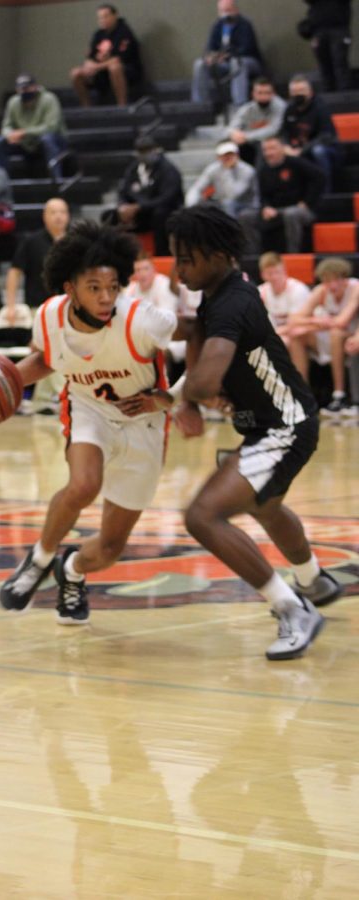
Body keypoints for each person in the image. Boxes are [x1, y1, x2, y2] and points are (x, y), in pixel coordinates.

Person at [166, 204, 342, 661]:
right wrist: (184, 396)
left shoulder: (234, 302)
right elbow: (196, 334)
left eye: (186, 259)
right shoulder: (220, 292)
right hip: (277, 420)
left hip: (283, 426)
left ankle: (292, 607)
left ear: (218, 255)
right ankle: (313, 581)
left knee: (202, 515)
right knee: (265, 505)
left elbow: (204, 379)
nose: (178, 270)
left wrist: (185, 398)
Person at [0, 221, 179, 624]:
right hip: (88, 409)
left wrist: (169, 398)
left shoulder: (141, 319)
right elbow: (46, 360)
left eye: (113, 287)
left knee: (110, 549)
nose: (105, 297)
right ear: (70, 288)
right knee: (83, 484)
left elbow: (202, 340)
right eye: (94, 288)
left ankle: (71, 570)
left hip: (143, 423)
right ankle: (40, 559)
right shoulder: (48, 317)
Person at [284, 257, 359, 417]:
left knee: (336, 334)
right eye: (327, 280)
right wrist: (315, 321)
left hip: (350, 337)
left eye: (336, 280)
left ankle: (339, 395)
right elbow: (294, 319)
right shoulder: (321, 291)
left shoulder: (355, 288)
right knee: (297, 336)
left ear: (344, 278)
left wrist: (313, 324)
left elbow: (342, 321)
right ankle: (302, 394)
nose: (332, 285)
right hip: (329, 337)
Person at [238, 136, 325, 254]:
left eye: (272, 148)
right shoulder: (263, 170)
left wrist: (307, 202)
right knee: (245, 216)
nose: (269, 153)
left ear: (282, 149)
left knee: (291, 214)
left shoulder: (296, 163)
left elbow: (320, 177)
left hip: (301, 210)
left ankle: (294, 256)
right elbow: (263, 195)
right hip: (277, 211)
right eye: (265, 150)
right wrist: (266, 207)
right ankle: (254, 257)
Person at [103, 135, 183, 256]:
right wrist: (123, 207)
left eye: (147, 151)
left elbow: (167, 198)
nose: (144, 155)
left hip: (162, 213)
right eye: (141, 152)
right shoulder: (133, 169)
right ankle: (114, 254)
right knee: (109, 216)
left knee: (160, 213)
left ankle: (162, 255)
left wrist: (140, 206)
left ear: (156, 150)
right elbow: (124, 191)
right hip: (139, 214)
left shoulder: (169, 170)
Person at [4, 197, 70, 326]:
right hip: (38, 308)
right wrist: (10, 305)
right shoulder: (31, 241)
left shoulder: (77, 241)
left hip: (70, 306)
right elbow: (15, 272)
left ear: (68, 215)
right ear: (44, 216)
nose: (58, 216)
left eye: (62, 212)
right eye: (53, 212)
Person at [191, 0, 263, 109]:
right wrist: (211, 57)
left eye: (228, 10)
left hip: (248, 61)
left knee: (237, 63)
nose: (226, 14)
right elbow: (210, 47)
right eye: (223, 11)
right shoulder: (217, 26)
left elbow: (247, 48)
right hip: (223, 63)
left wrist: (227, 56)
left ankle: (239, 104)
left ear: (235, 10)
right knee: (199, 64)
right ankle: (200, 104)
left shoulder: (245, 24)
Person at [0, 75, 67, 181]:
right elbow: (5, 126)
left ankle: (57, 181)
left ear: (35, 87)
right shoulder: (13, 102)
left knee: (47, 139)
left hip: (53, 141)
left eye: (27, 87)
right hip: (25, 143)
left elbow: (51, 127)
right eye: (21, 88)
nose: (24, 91)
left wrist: (24, 132)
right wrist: (10, 134)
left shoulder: (49, 99)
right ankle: (3, 183)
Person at [70, 4, 144, 107]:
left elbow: (119, 60)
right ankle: (86, 108)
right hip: (101, 73)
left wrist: (97, 66)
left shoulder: (124, 32)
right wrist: (89, 65)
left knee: (114, 68)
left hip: (127, 72)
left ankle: (122, 105)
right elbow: (90, 56)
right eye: (100, 17)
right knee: (75, 73)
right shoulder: (98, 34)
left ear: (115, 15)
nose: (102, 20)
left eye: (106, 16)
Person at [281, 74, 342, 191]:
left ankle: (325, 192)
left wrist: (302, 150)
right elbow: (284, 133)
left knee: (318, 151)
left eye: (302, 90)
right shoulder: (289, 109)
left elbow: (326, 136)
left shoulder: (320, 107)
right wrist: (286, 146)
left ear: (311, 92)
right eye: (295, 91)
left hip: (328, 150)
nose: (298, 94)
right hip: (298, 149)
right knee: (275, 151)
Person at [185, 141, 259, 217]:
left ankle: (229, 228)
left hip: (247, 206)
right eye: (224, 155)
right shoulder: (213, 169)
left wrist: (228, 170)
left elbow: (233, 195)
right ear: (218, 157)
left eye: (230, 154)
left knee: (228, 203)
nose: (227, 158)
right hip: (223, 203)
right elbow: (196, 188)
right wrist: (190, 206)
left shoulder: (247, 171)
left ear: (237, 155)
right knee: (204, 205)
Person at [225, 77, 287, 164]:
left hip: (274, 142)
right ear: (253, 94)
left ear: (273, 94)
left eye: (267, 93)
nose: (263, 96)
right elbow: (232, 126)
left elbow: (274, 129)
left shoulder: (280, 107)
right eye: (260, 93)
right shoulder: (247, 109)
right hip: (249, 143)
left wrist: (246, 137)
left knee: (263, 145)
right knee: (226, 146)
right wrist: (234, 133)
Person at [300, 0, 353, 92]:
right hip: (319, 30)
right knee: (324, 64)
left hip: (339, 28)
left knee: (340, 61)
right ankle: (328, 94)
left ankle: (344, 93)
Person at [257, 252, 310, 339]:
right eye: (270, 273)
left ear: (284, 271)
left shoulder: (297, 289)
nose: (274, 277)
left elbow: (296, 322)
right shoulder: (260, 291)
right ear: (262, 275)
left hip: (300, 335)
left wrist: (274, 333)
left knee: (292, 336)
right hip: (277, 333)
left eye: (277, 272)